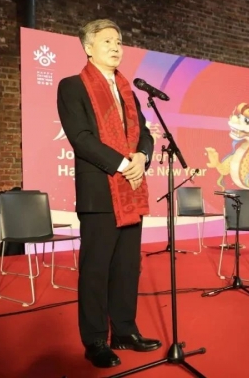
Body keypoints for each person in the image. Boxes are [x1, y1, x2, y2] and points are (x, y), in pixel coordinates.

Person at [57, 18, 161, 369]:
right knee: (96, 270)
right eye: (107, 41)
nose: (116, 47)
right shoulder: (72, 86)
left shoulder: (128, 91)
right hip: (100, 191)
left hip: (131, 187)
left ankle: (125, 331)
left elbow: (144, 133)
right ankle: (95, 340)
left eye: (118, 41)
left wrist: (142, 156)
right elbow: (80, 137)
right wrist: (122, 163)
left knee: (127, 268)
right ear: (88, 47)